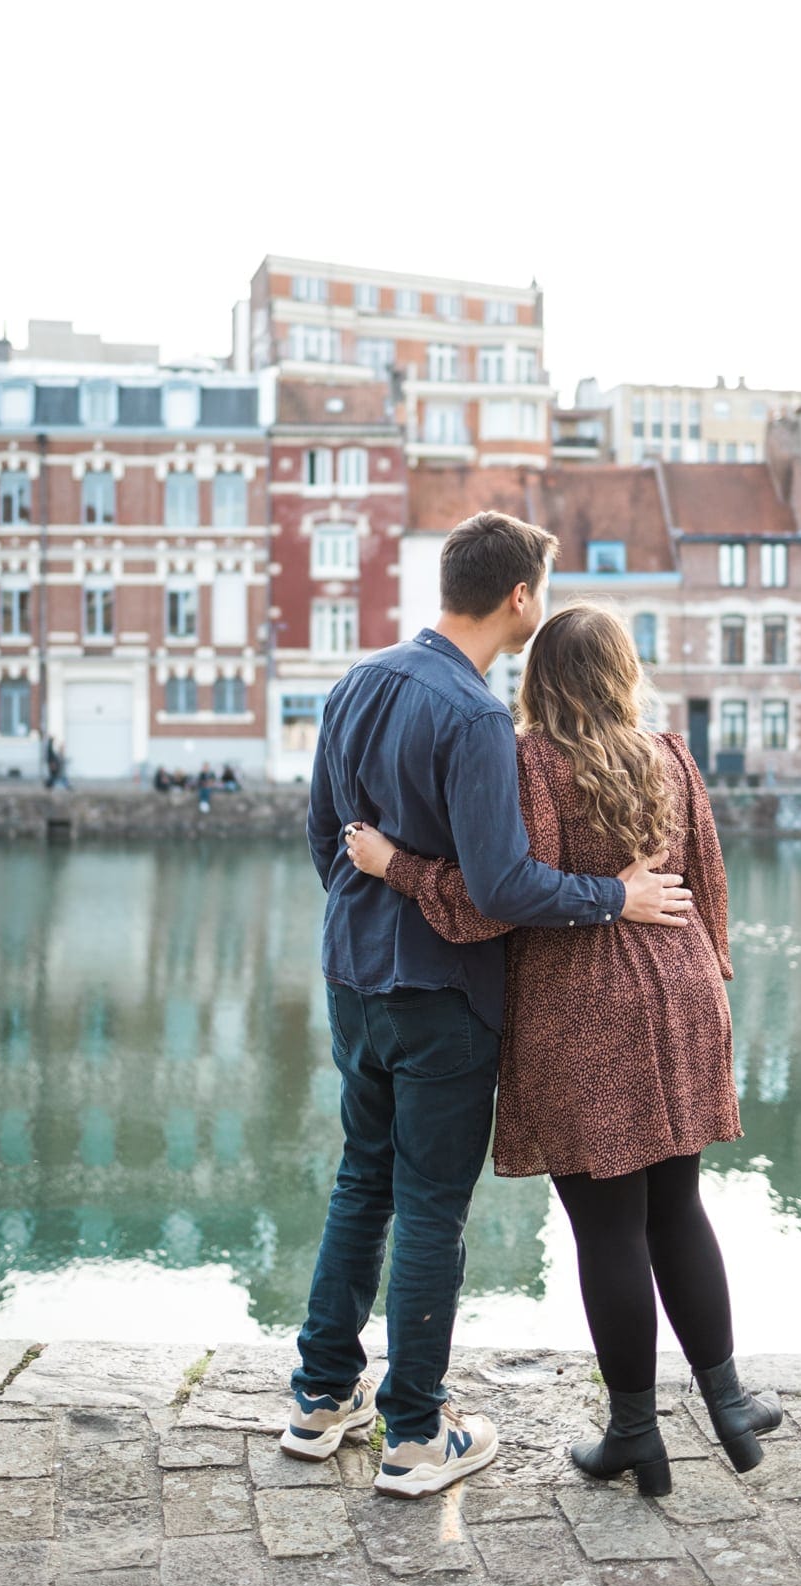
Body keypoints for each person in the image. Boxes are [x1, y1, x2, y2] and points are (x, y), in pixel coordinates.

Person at [279, 512, 692, 1500]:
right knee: (428, 1207)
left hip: (351, 978)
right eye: (538, 591)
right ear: (519, 597)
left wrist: (360, 920)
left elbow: (318, 837)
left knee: (359, 1182)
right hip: (438, 991)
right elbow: (503, 886)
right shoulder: (471, 715)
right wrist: (615, 896)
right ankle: (416, 1434)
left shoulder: (358, 680)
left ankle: (317, 1398)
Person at [347, 602, 782, 1497]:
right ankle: (728, 1401)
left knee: (606, 1228)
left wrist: (400, 867)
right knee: (677, 1208)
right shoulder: (670, 753)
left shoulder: (528, 761)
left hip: (583, 1006)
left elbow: (495, 896)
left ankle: (633, 1432)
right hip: (684, 990)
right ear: (623, 672)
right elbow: (709, 882)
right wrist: (708, 976)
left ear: (540, 677)